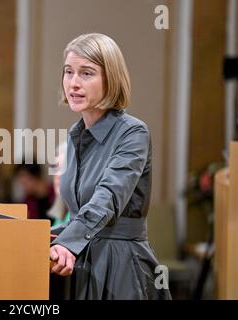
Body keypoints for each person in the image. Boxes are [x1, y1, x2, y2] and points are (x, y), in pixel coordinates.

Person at [49, 33, 171, 299]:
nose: (74, 83)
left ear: (111, 79)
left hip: (122, 267)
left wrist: (68, 243)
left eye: (87, 73)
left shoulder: (133, 133)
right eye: (69, 72)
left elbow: (108, 197)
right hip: (83, 263)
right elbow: (78, 211)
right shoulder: (75, 134)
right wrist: (41, 238)